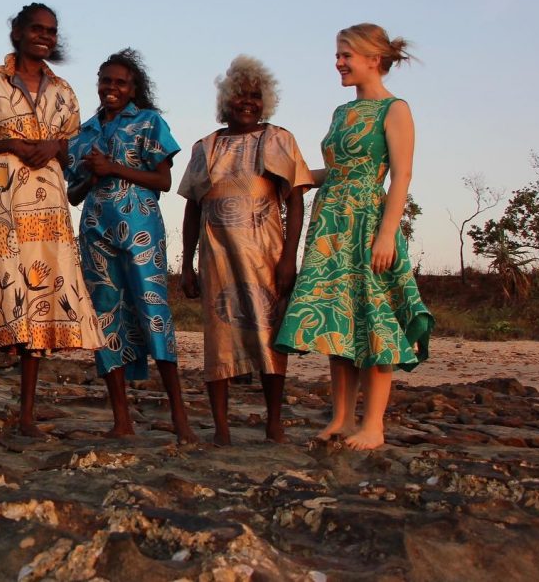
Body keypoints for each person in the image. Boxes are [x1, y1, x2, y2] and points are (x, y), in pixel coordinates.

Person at [274, 24, 434, 451]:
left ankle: (374, 426)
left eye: (346, 55)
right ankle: (342, 419)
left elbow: (401, 175)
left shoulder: (394, 109)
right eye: (338, 55)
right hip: (330, 223)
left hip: (367, 220)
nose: (338, 62)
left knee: (373, 318)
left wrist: (387, 235)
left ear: (373, 59)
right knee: (336, 321)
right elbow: (338, 170)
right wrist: (299, 178)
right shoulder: (341, 113)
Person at [0, 2, 103, 437]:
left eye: (52, 31)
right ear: (17, 32)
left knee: (38, 301)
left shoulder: (65, 91)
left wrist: (55, 148)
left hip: (49, 210)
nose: (45, 36)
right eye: (37, 28)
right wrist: (12, 146)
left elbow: (70, 147)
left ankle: (25, 415)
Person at [177, 56, 313, 446]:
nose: (247, 103)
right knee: (218, 338)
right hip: (217, 258)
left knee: (268, 336)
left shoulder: (278, 139)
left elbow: (297, 198)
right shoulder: (206, 147)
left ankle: (274, 423)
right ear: (226, 100)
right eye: (240, 96)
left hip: (265, 256)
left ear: (265, 101)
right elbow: (192, 206)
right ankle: (221, 428)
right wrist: (187, 264)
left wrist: (290, 256)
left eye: (255, 96)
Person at [67, 49, 197, 444]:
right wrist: (92, 176)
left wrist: (114, 168)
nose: (112, 88)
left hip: (141, 231)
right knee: (105, 319)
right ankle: (121, 419)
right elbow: (73, 195)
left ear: (133, 87)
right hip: (95, 232)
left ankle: (180, 418)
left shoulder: (149, 122)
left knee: (153, 313)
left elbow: (163, 182)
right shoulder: (84, 131)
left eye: (120, 82)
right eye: (106, 81)